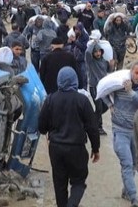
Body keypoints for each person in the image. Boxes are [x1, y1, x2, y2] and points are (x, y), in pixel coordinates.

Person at [38, 67, 100, 207]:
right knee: (78, 182)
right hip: (76, 149)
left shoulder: (50, 99)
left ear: (59, 80)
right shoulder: (82, 100)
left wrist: (49, 130)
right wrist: (95, 148)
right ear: (75, 80)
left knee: (59, 184)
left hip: (55, 148)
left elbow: (41, 126)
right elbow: (92, 127)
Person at [104, 62, 138, 207]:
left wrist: (130, 92)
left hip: (137, 132)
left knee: (134, 165)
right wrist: (110, 105)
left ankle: (126, 190)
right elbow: (102, 91)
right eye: (136, 73)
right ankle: (134, 198)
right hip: (120, 130)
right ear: (131, 72)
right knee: (127, 163)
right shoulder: (119, 83)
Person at [85, 41, 108, 135]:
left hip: (103, 87)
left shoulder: (103, 61)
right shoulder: (91, 62)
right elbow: (87, 53)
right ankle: (98, 127)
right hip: (94, 87)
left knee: (105, 106)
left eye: (99, 51)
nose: (98, 53)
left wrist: (111, 64)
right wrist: (93, 43)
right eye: (96, 52)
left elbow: (108, 70)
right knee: (98, 107)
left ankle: (90, 120)